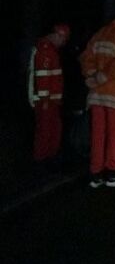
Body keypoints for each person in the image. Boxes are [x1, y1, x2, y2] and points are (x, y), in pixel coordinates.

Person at [79, 18, 115, 188]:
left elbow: (86, 57)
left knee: (98, 134)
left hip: (96, 95)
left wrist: (91, 76)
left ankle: (95, 173)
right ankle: (113, 173)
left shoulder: (99, 34)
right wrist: (102, 77)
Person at [28, 24, 70, 166]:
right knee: (45, 129)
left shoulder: (49, 49)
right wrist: (45, 99)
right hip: (45, 100)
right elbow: (43, 77)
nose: (63, 43)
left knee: (53, 128)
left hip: (50, 99)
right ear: (58, 35)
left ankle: (49, 157)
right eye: (63, 39)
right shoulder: (45, 50)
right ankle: (41, 159)